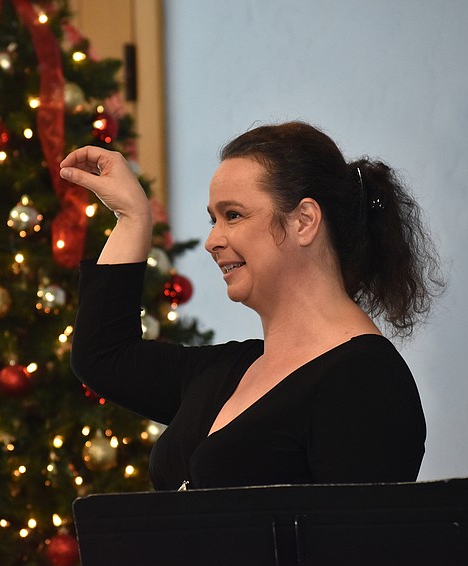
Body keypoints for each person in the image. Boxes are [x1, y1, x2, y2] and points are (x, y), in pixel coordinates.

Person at [61, 121, 444, 491]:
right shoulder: (226, 371)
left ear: (304, 221)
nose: (212, 240)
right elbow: (103, 356)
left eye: (233, 215)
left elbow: (353, 532)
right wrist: (132, 218)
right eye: (213, 220)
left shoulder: (365, 381)